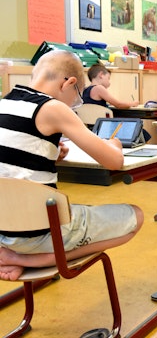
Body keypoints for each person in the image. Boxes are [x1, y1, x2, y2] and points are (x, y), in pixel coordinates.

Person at [0, 50, 143, 281]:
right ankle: (20, 259)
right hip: (40, 234)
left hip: (4, 229)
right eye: (77, 97)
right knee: (135, 216)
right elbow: (114, 161)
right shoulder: (53, 107)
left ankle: (15, 254)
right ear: (69, 83)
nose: (74, 104)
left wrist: (52, 152)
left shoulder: (6, 101)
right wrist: (114, 144)